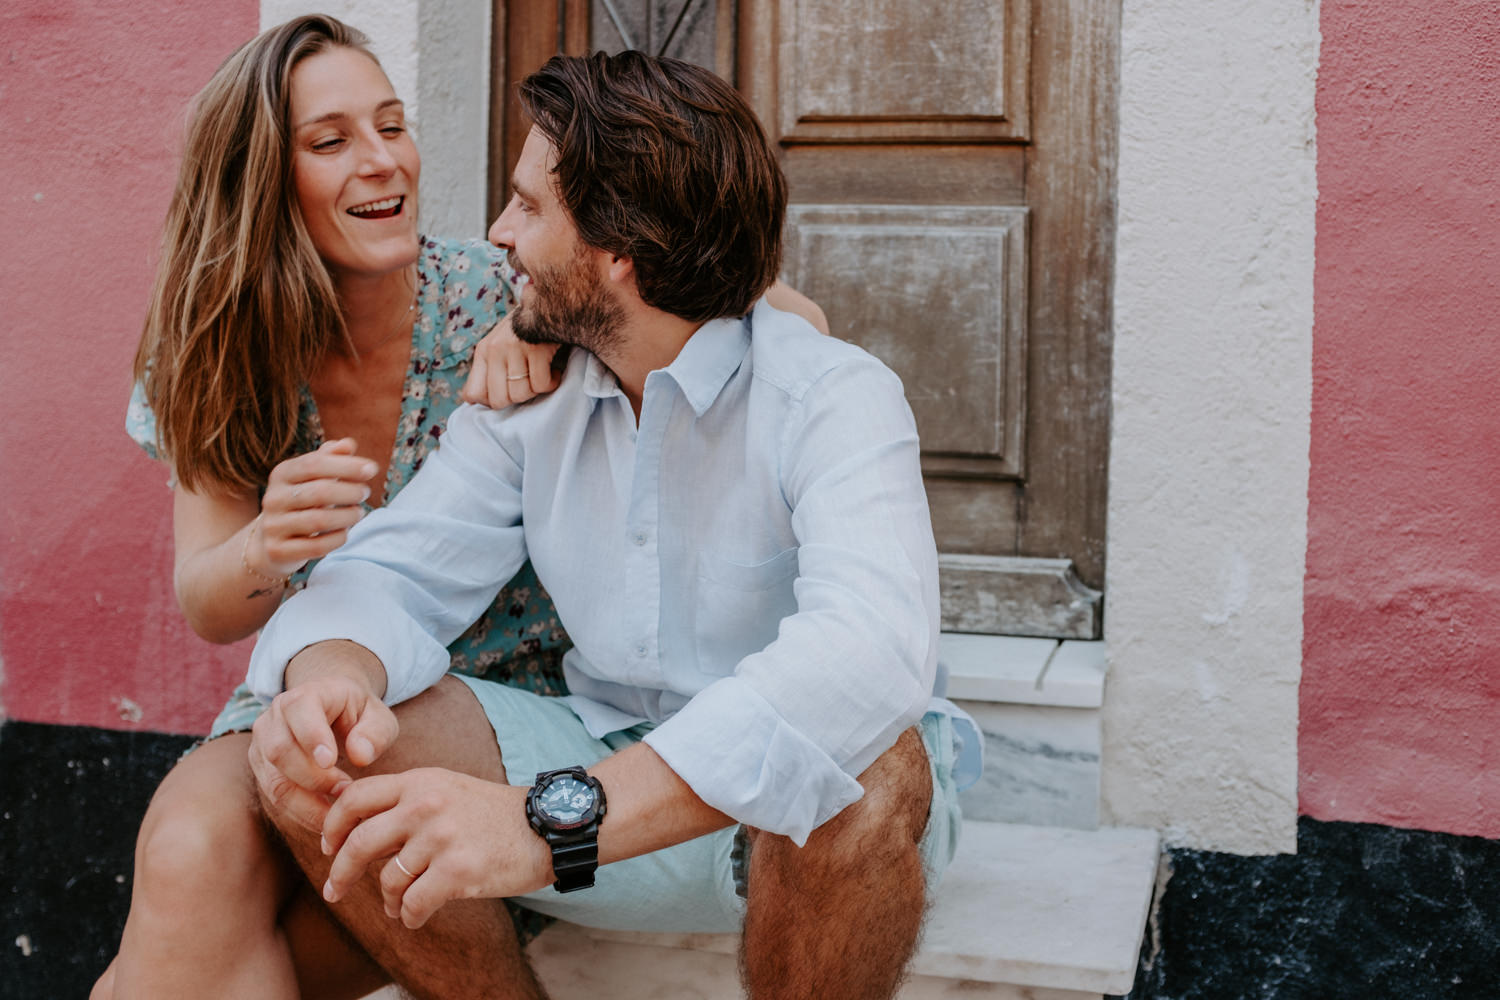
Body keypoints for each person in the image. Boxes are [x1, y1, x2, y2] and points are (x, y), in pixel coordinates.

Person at [96, 15, 830, 1000]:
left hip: (514, 698)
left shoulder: (509, 283)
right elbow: (209, 601)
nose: (382, 160)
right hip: (337, 674)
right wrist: (267, 547)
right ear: (257, 180)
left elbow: (791, 320)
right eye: (332, 141)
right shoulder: (214, 344)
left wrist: (548, 325)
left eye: (392, 125)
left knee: (280, 930)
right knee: (188, 844)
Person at [245, 50, 969, 1000]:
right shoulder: (532, 399)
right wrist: (329, 678)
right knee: (316, 753)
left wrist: (554, 819)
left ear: (617, 251)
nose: (498, 232)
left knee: (869, 766)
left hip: (787, 830)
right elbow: (390, 574)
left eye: (528, 207)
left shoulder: (833, 397)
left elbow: (866, 658)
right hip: (606, 753)